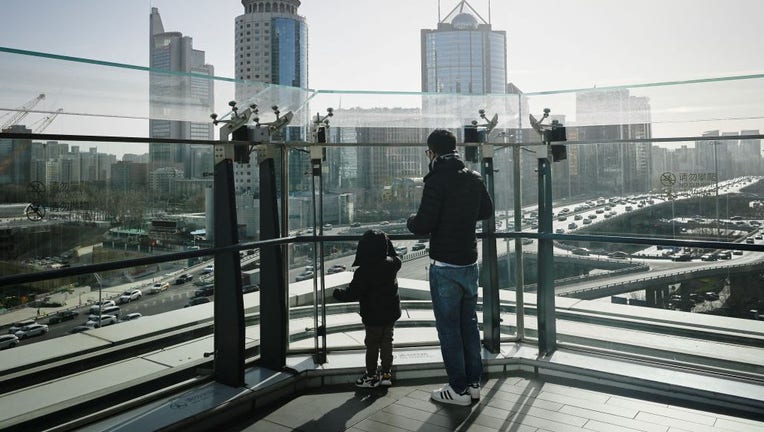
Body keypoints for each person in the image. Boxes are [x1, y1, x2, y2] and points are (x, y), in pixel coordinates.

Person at [407, 128, 493, 406]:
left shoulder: (436, 181)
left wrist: (410, 220)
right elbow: (486, 211)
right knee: (469, 325)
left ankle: (457, 389)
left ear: (432, 152)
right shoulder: (473, 177)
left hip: (445, 265)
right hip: (469, 262)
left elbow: (422, 225)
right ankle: (473, 384)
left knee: (448, 330)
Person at [333, 229, 402, 388]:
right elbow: (395, 255)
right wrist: (387, 240)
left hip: (372, 316)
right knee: (387, 342)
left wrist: (338, 293)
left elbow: (352, 293)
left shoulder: (363, 271)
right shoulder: (393, 264)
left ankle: (371, 376)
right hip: (390, 314)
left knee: (372, 346)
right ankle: (386, 374)